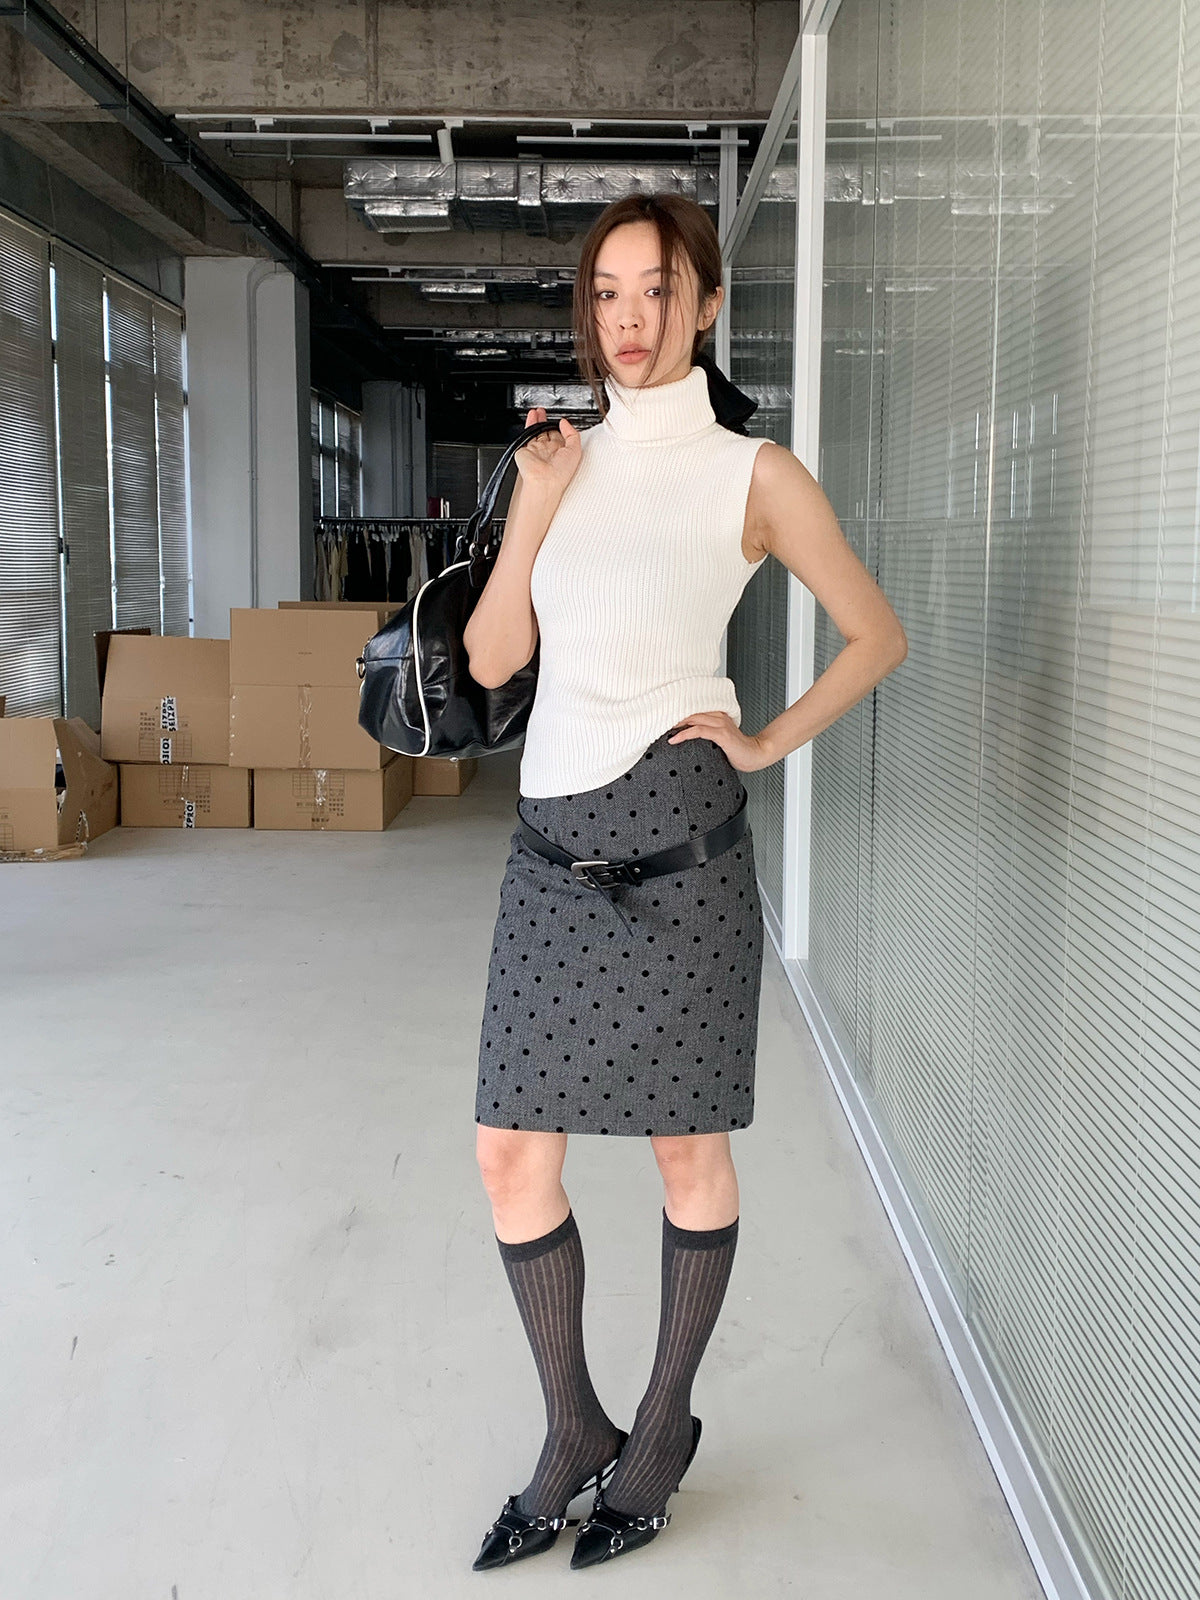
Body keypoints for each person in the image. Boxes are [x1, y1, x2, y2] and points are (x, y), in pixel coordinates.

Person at [463, 192, 908, 1571]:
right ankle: (573, 1430)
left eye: (656, 289)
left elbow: (875, 632)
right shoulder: (557, 463)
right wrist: (534, 510)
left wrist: (763, 740)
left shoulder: (752, 474)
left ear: (706, 304)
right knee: (509, 1154)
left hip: (680, 852)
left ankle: (660, 1430)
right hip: (549, 849)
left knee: (685, 1153)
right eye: (606, 292)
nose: (630, 319)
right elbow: (492, 661)